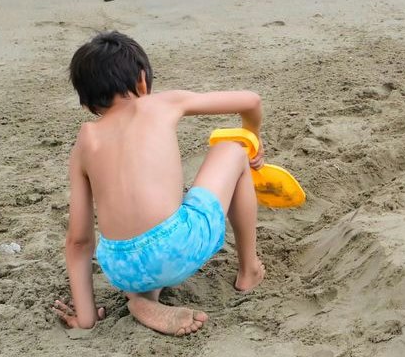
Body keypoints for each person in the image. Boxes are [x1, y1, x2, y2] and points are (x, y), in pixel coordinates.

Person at [53, 31, 265, 336]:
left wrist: (85, 319)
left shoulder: (85, 142)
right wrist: (253, 137)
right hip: (175, 246)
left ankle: (141, 297)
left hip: (121, 268)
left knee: (140, 241)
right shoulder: (160, 104)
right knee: (232, 150)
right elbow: (250, 101)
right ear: (142, 81)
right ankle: (249, 271)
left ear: (87, 105)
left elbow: (79, 242)